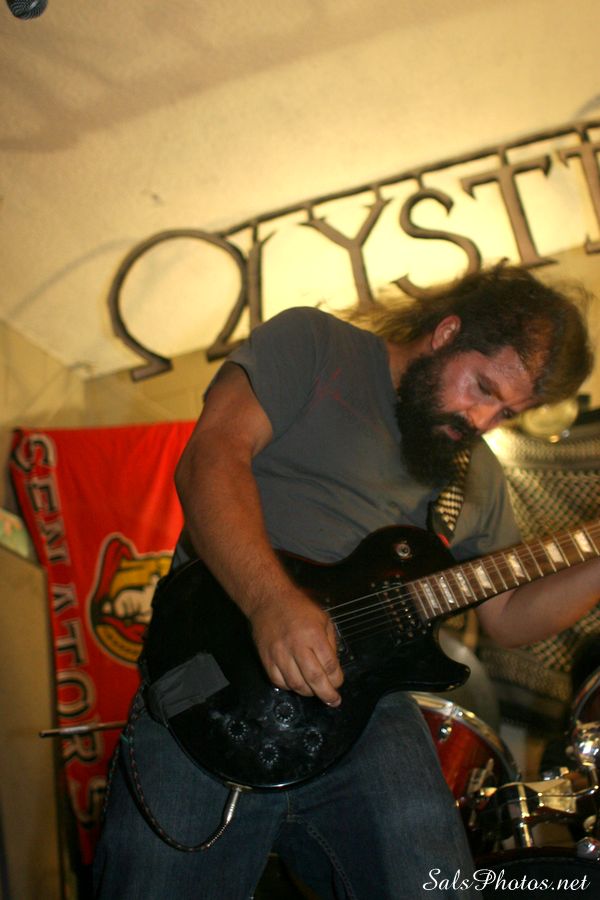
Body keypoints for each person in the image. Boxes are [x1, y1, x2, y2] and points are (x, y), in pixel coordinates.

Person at [94, 264, 600, 899]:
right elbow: (211, 457)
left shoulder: (475, 474)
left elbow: (509, 617)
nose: (483, 419)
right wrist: (272, 602)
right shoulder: (314, 343)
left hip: (368, 710)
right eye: (482, 388)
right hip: (214, 675)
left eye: (507, 412)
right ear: (447, 333)